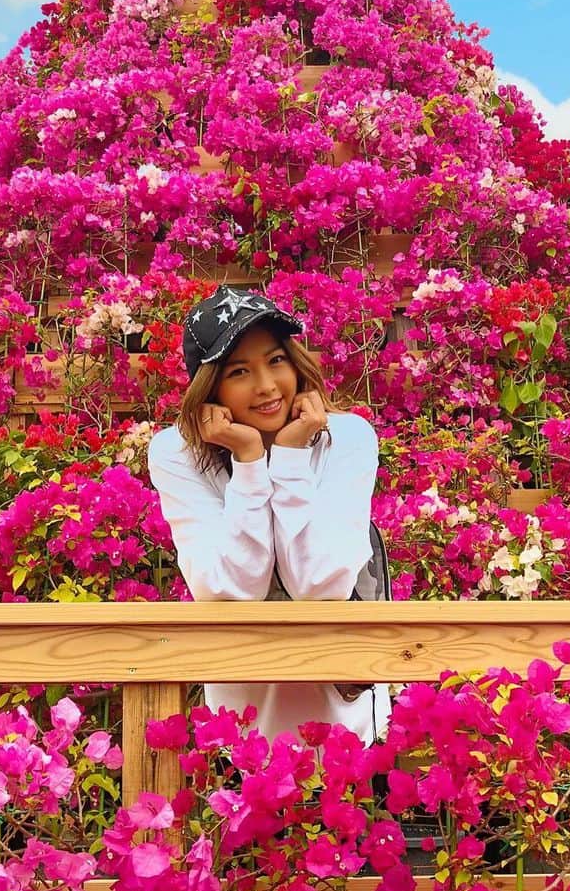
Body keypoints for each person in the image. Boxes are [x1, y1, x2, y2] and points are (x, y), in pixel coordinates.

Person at [147, 285, 391, 746]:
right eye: (240, 370)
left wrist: (292, 453)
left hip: (349, 736)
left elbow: (320, 587)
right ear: (211, 386)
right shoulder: (176, 453)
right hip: (243, 736)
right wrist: (250, 461)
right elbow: (231, 590)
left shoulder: (348, 438)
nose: (265, 386)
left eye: (276, 360)